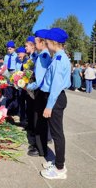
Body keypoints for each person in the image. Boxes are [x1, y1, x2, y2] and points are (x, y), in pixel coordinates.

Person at [39, 27, 71, 180]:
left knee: (57, 135)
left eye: (47, 42)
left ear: (53, 43)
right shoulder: (59, 56)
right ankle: (58, 162)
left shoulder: (59, 59)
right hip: (56, 97)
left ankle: (59, 168)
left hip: (56, 99)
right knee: (57, 133)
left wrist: (49, 106)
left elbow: (56, 86)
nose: (46, 44)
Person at [26, 30, 51, 157]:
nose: (35, 45)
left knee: (39, 121)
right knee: (39, 120)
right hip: (41, 92)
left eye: (36, 42)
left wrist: (27, 86)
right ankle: (39, 146)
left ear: (42, 41)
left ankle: (40, 148)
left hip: (40, 92)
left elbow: (39, 80)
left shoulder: (43, 56)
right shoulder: (44, 54)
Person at [4, 41, 18, 114]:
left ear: (14, 48)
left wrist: (15, 76)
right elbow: (4, 66)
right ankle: (8, 110)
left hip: (14, 73)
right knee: (8, 92)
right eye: (8, 49)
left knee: (15, 92)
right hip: (7, 73)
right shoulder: (6, 56)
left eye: (10, 49)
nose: (9, 50)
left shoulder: (16, 56)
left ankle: (15, 111)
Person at [15, 46, 29, 126]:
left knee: (24, 103)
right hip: (22, 86)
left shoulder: (26, 61)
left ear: (23, 53)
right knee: (22, 103)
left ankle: (24, 120)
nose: (18, 56)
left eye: (19, 54)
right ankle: (23, 119)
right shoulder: (23, 61)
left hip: (25, 86)